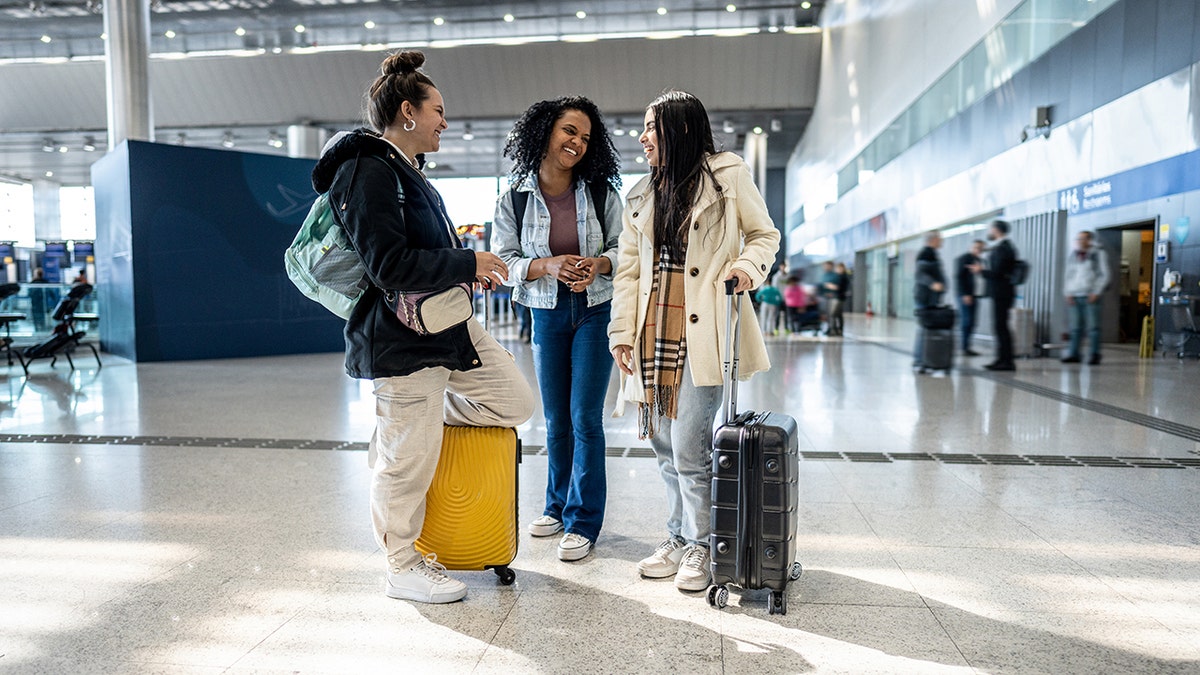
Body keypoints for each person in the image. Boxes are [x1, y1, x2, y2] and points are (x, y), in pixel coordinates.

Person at [310, 50, 535, 605]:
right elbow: (387, 264)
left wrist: (464, 270)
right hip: (401, 342)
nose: (444, 121)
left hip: (445, 327)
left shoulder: (408, 173)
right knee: (407, 461)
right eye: (438, 110)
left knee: (514, 400)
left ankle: (406, 426)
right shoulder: (367, 172)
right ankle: (401, 564)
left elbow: (418, 253)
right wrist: (468, 263)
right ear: (407, 112)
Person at [609, 90, 780, 593]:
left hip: (701, 333)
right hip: (650, 334)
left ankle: (705, 544)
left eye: (651, 127)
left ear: (680, 129)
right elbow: (628, 270)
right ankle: (677, 536)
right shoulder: (642, 194)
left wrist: (747, 267)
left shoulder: (726, 177)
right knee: (662, 443)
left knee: (690, 447)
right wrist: (621, 331)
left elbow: (764, 234)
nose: (642, 138)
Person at [490, 96, 623, 562]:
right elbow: (501, 263)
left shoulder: (602, 193)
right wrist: (545, 265)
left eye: (586, 137)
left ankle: (583, 521)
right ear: (545, 131)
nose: (577, 143)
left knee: (585, 417)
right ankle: (556, 505)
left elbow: (626, 249)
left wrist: (599, 263)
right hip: (545, 312)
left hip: (594, 309)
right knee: (554, 419)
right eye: (570, 131)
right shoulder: (515, 198)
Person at [1061, 230, 1111, 365]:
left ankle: (1095, 354)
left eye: (1083, 238)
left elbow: (1105, 274)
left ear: (1090, 240)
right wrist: (1067, 292)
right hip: (1074, 295)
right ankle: (1074, 353)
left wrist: (1097, 291)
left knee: (1093, 327)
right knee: (1075, 327)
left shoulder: (1098, 254)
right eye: (1078, 238)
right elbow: (1068, 275)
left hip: (1090, 295)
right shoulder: (1073, 255)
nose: (1080, 241)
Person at [982, 219, 1018, 371]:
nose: (989, 232)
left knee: (1001, 326)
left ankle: (1006, 360)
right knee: (999, 326)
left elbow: (997, 272)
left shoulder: (1004, 248)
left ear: (996, 230)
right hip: (1001, 292)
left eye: (990, 229)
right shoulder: (1001, 247)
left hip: (1002, 292)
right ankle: (1001, 358)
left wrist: (981, 271)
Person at [912, 232, 946, 373]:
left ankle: (925, 360)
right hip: (925, 298)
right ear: (934, 240)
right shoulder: (926, 253)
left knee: (927, 329)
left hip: (930, 298)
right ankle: (919, 361)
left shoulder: (931, 253)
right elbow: (920, 274)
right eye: (940, 238)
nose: (942, 241)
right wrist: (933, 283)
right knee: (924, 329)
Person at [955, 240, 985, 356]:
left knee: (972, 321)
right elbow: (959, 277)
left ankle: (967, 346)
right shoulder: (964, 259)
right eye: (976, 247)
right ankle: (963, 347)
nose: (978, 250)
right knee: (966, 321)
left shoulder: (980, 261)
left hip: (975, 295)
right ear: (971, 247)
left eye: (981, 248)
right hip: (965, 295)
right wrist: (965, 294)